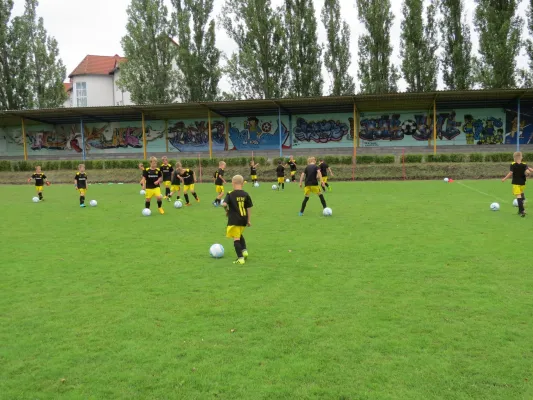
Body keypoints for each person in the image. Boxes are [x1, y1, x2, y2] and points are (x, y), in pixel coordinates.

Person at [222, 175, 253, 265]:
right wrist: (248, 220)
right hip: (243, 219)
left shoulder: (230, 193)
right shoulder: (246, 194)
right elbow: (249, 208)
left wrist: (226, 210)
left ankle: (240, 258)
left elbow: (224, 204)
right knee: (239, 234)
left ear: (233, 183)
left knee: (236, 239)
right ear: (242, 184)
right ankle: (244, 251)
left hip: (234, 219)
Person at [502, 151, 533, 217]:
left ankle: (522, 211)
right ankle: (523, 203)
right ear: (521, 157)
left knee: (518, 196)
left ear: (514, 158)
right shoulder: (524, 164)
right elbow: (529, 170)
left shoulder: (512, 164)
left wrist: (504, 179)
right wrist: (528, 172)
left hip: (516, 182)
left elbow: (511, 173)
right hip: (523, 182)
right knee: (521, 193)